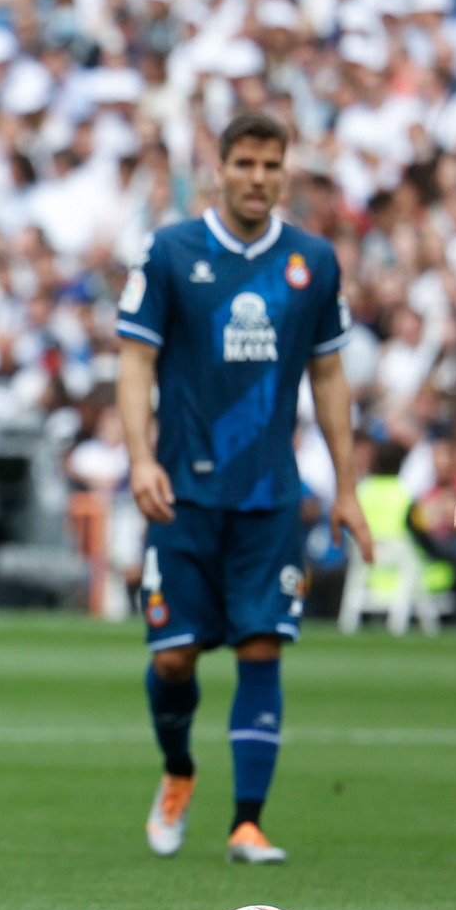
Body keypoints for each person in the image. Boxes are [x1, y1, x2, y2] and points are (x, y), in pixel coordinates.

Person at [116, 111, 372, 865]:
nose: (258, 178)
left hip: (269, 498)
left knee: (263, 647)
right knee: (175, 659)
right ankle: (179, 768)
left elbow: (328, 375)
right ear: (218, 168)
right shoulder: (171, 252)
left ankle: (248, 822)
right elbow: (134, 362)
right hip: (183, 496)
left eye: (271, 165)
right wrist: (139, 458)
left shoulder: (312, 262)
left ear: (284, 171)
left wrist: (348, 490)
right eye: (245, 164)